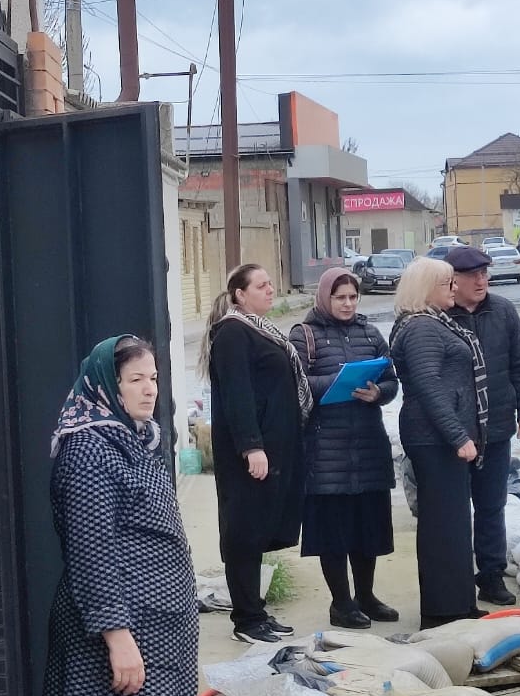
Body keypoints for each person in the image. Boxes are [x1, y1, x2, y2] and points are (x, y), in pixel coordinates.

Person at [43, 335, 200, 696]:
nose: (149, 389)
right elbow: (90, 550)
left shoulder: (133, 440)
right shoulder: (88, 450)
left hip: (157, 628)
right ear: (107, 385)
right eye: (135, 379)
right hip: (124, 631)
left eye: (154, 377)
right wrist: (117, 637)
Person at [201, 264, 312, 644]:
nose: (270, 290)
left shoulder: (261, 330)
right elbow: (238, 395)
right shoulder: (233, 333)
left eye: (270, 284)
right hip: (249, 453)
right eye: (261, 285)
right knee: (244, 533)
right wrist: (252, 446)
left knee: (258, 530)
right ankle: (246, 619)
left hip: (273, 448)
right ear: (239, 295)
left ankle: (257, 611)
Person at [289, 269, 401, 629]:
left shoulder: (370, 332)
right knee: (334, 533)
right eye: (340, 297)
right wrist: (337, 382)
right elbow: (294, 383)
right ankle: (341, 603)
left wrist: (378, 392)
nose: (348, 304)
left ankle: (366, 596)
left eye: (353, 297)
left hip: (367, 444)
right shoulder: (304, 335)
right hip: (325, 450)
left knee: (367, 529)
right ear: (325, 298)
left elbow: (391, 378)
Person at [390, 256, 489, 628]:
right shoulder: (421, 329)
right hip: (435, 440)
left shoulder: (436, 323)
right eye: (447, 283)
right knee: (442, 526)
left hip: (443, 438)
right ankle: (442, 612)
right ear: (427, 288)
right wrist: (458, 435)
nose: (454, 289)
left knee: (456, 523)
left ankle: (462, 602)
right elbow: (429, 387)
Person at [446, 246, 520, 606]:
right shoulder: (440, 315)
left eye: (484, 273)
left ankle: (491, 576)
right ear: (452, 280)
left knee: (491, 506)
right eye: (473, 275)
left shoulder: (502, 311)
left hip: (496, 428)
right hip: (454, 433)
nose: (481, 280)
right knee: (453, 510)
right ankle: (454, 580)